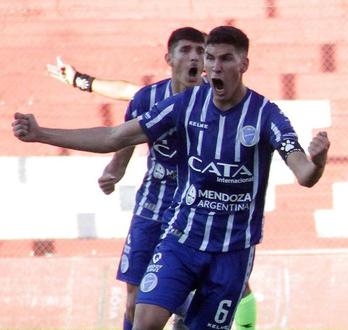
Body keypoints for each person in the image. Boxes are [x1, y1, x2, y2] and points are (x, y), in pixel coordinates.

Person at [13, 25, 330, 330]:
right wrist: (41, 134)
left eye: (226, 59)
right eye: (211, 58)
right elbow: (114, 137)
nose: (215, 67)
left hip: (232, 250)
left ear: (244, 63)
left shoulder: (265, 114)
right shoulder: (184, 105)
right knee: (144, 318)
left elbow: (304, 174)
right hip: (181, 239)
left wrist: (317, 162)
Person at [45, 33, 259, 330]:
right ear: (170, 59)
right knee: (135, 300)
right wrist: (116, 166)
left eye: (201, 51)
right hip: (154, 206)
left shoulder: (218, 99)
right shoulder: (152, 97)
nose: (196, 58)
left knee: (233, 285)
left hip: (199, 209)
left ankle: (231, 321)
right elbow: (128, 103)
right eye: (187, 50)